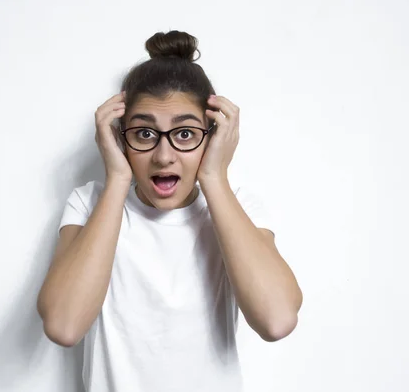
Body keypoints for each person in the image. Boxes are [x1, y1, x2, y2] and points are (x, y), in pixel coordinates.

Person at [37, 30, 303, 392]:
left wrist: (214, 176)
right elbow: (63, 326)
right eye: (145, 133)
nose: (164, 156)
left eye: (185, 134)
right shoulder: (89, 204)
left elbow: (277, 320)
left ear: (212, 135)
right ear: (120, 137)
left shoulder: (237, 207)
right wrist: (116, 178)